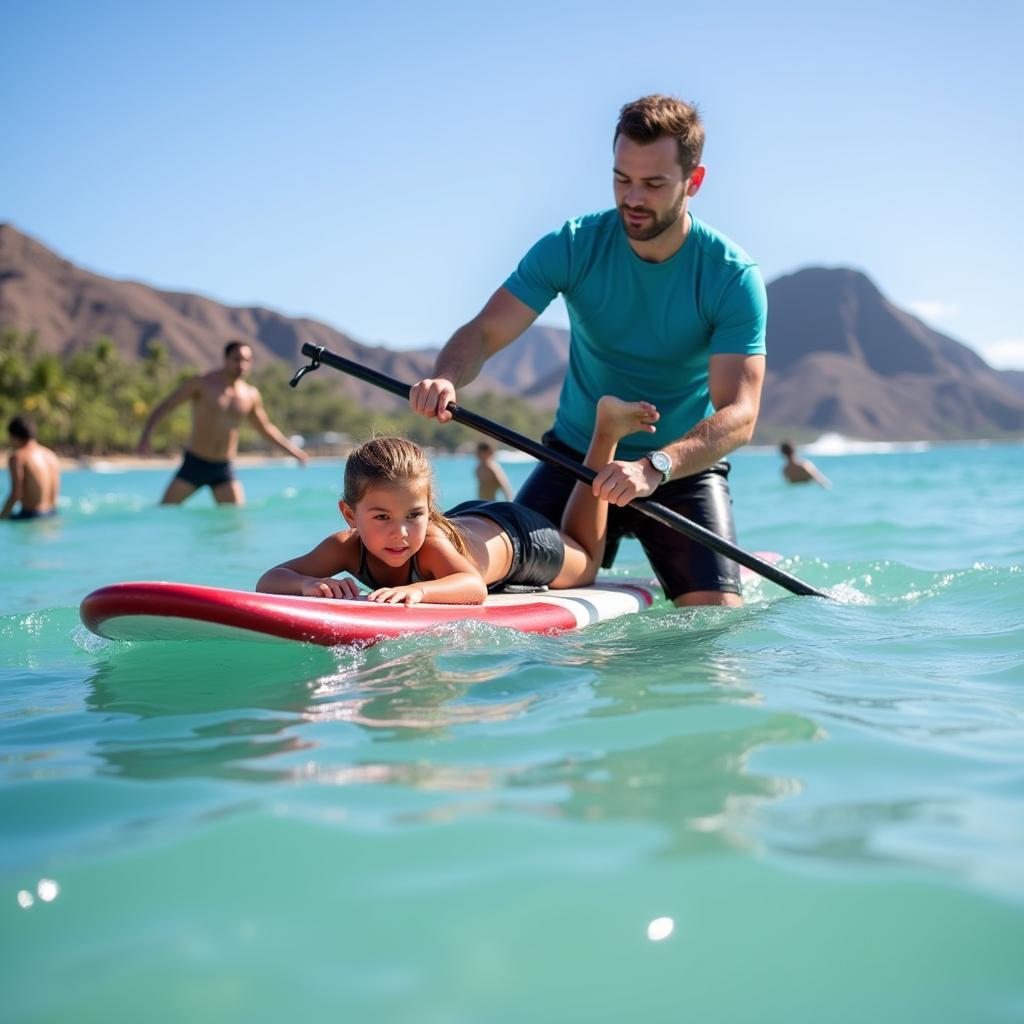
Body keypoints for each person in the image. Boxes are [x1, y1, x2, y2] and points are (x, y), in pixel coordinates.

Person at [409, 94, 767, 607]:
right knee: (486, 568)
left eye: (653, 184)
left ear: (694, 181)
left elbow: (741, 413)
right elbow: (487, 331)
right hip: (575, 458)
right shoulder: (574, 245)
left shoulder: (730, 276)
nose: (633, 198)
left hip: (676, 470)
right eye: (622, 179)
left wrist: (654, 467)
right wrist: (447, 375)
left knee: (713, 634)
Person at [257, 396, 657, 604]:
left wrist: (420, 592)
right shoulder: (344, 547)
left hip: (517, 542)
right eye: (381, 516)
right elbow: (269, 581)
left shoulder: (427, 543)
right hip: (473, 523)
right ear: (350, 514)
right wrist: (310, 585)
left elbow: (472, 587)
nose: (399, 533)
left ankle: (605, 434)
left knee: (585, 563)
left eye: (414, 514)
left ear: (428, 509)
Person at [138, 340, 308, 505]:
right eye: (237, 359)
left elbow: (266, 429)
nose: (242, 365)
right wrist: (146, 436)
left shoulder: (250, 395)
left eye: (247, 360)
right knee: (164, 512)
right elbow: (166, 406)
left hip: (223, 468)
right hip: (194, 463)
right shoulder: (202, 383)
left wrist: (295, 452)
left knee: (236, 521)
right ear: (225, 359)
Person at [2, 416, 61, 520]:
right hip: (53, 514)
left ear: (14, 436)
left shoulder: (18, 456)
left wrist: (2, 516)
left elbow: (16, 494)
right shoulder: (51, 455)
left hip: (31, 516)